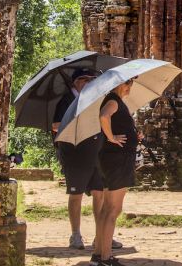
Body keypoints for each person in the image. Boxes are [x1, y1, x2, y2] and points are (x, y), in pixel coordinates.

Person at [51, 68, 109, 251]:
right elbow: (55, 126)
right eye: (84, 79)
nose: (89, 82)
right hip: (74, 154)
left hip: (96, 152)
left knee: (100, 193)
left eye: (91, 79)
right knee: (76, 195)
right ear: (75, 82)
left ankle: (101, 234)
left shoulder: (96, 101)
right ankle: (75, 234)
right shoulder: (66, 101)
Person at [95, 79, 138, 266]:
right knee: (113, 209)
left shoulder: (116, 101)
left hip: (114, 159)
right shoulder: (113, 100)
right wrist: (111, 137)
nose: (129, 88)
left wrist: (135, 134)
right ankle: (106, 258)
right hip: (117, 160)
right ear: (118, 84)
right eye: (127, 84)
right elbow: (104, 117)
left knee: (107, 209)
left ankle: (99, 254)